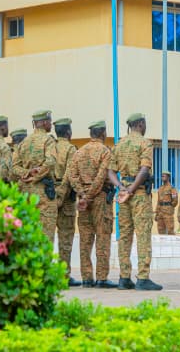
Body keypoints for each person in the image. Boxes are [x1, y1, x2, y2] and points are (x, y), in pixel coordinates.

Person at [110, 113, 162, 291]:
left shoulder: (119, 144)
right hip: (138, 194)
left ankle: (124, 278)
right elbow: (145, 169)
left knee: (124, 236)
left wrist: (121, 187)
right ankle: (143, 277)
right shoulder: (145, 143)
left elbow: (110, 171)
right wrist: (131, 190)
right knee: (142, 234)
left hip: (123, 193)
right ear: (140, 124)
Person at [67, 120, 116, 289]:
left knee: (85, 240)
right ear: (103, 133)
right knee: (103, 237)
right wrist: (89, 196)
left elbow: (71, 176)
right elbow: (102, 176)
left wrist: (82, 194)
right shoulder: (105, 152)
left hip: (83, 201)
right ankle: (102, 278)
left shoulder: (78, 152)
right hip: (100, 199)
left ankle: (87, 277)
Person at [13, 111, 58, 242]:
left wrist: (26, 173)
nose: (51, 124)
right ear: (44, 122)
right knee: (46, 235)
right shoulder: (48, 140)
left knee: (30, 233)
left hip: (26, 193)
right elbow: (50, 162)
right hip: (44, 192)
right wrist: (36, 176)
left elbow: (14, 166)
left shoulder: (23, 142)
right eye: (50, 121)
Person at [52, 118, 80, 286]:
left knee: (46, 236)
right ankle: (64, 275)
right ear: (69, 132)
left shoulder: (50, 146)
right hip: (66, 197)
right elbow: (70, 174)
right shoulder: (70, 149)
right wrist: (61, 196)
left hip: (48, 196)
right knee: (65, 238)